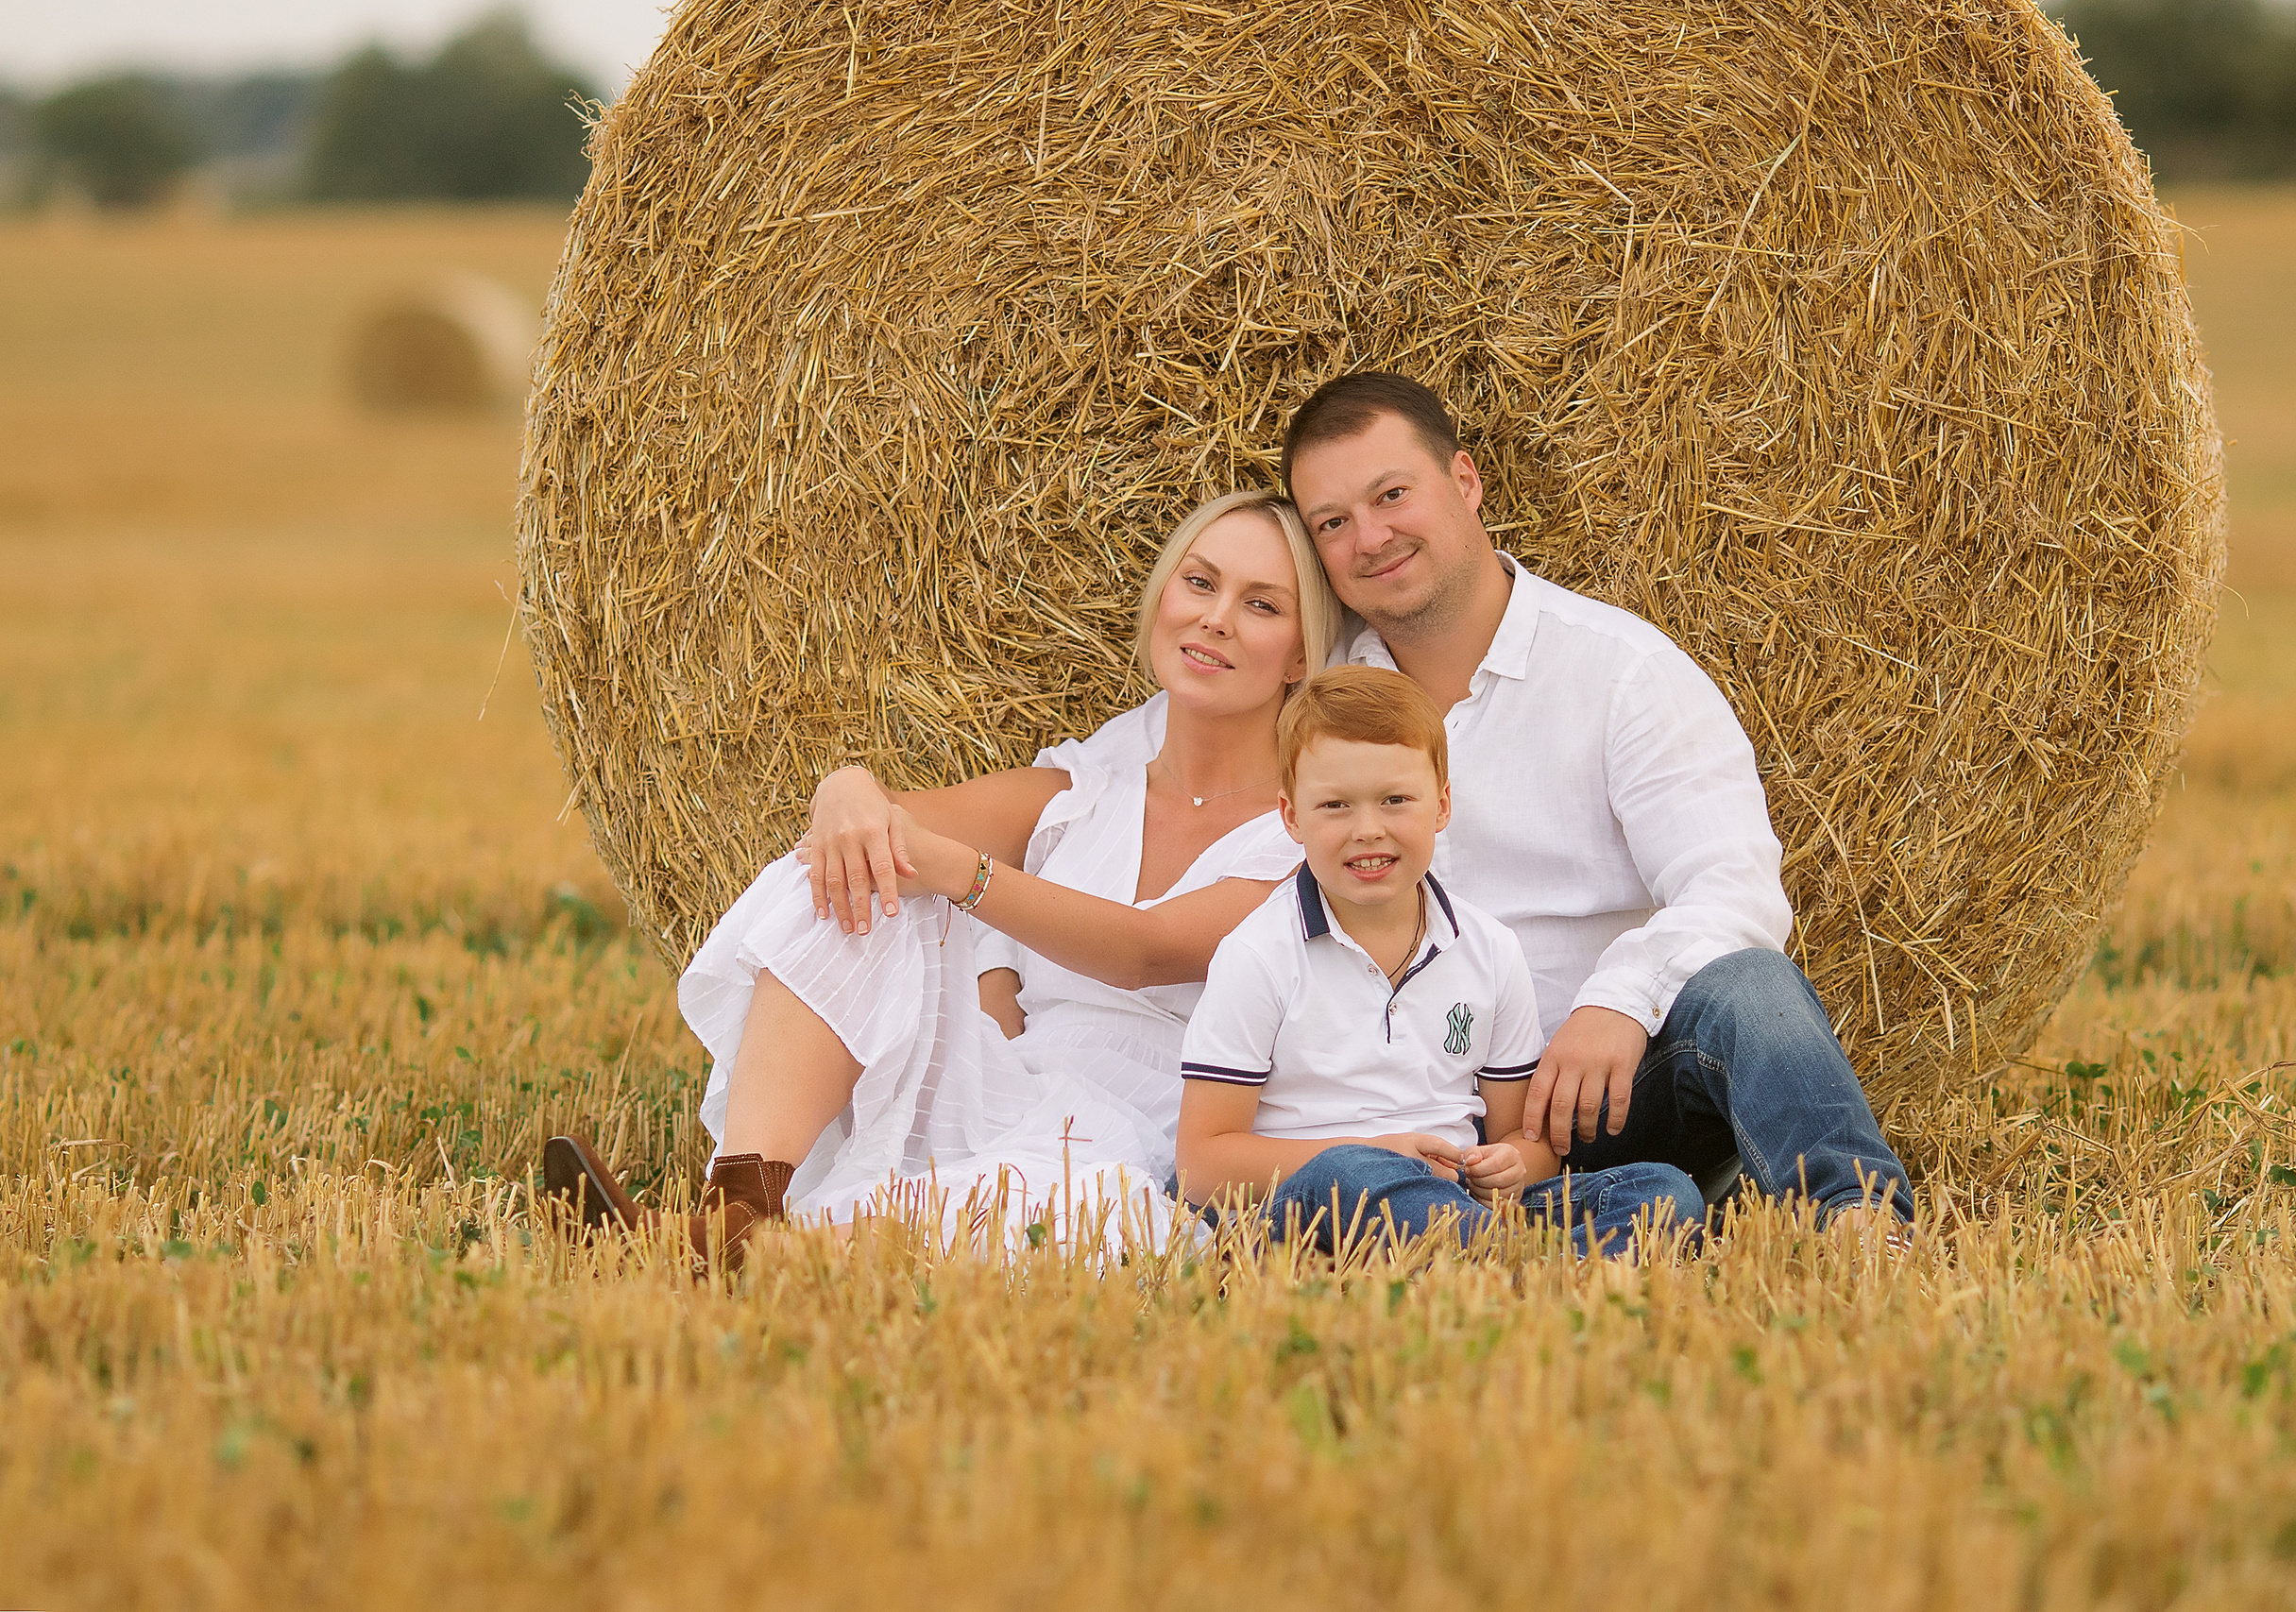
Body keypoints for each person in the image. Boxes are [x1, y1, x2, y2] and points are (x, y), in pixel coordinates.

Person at [1070, 374, 1913, 1237]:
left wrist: (1618, 1000)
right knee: (1384, 1182)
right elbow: (1126, 764)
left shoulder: (1620, 672)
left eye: (1392, 494)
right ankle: (1518, 1250)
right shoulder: (1318, 699)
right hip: (1403, 1131)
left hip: (1598, 1097)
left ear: (1465, 482)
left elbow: (1735, 886)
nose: (1370, 537)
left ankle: (1856, 1226)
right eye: (1332, 522)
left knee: (1749, 987)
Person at [542, 488, 1342, 1264]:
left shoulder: (1303, 832)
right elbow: (887, 815)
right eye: (1200, 582)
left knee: (1003, 1211)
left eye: (1262, 605)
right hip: (1013, 1077)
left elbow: (1147, 950)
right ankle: (736, 1204)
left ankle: (771, 1257)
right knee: (856, 870)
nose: (1216, 617)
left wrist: (964, 873)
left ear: (1301, 654)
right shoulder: (1087, 789)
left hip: (1145, 1123)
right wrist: (846, 788)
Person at [1176, 666, 1702, 1255]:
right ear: (1292, 816)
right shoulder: (1259, 955)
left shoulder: (1489, 950)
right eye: (1335, 806)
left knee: (1665, 1192)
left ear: (1442, 804)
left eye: (1396, 800)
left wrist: (1510, 1165)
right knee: (1356, 1173)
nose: (1368, 830)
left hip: (1458, 1200)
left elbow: (1524, 1141)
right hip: (1311, 1201)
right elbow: (1201, 1164)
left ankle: (1487, 1267)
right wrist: (1379, 1158)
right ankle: (1529, 1274)